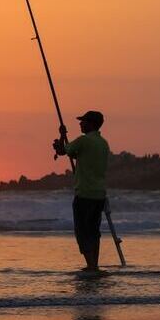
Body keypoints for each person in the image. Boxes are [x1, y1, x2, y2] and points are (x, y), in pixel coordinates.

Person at [53, 111, 109, 271]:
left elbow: (64, 151)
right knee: (94, 231)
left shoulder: (84, 141)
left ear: (91, 123)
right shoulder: (103, 143)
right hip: (99, 194)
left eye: (83, 121)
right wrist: (63, 142)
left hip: (84, 194)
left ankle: (91, 267)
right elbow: (79, 155)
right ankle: (94, 264)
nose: (80, 124)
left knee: (82, 232)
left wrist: (62, 135)